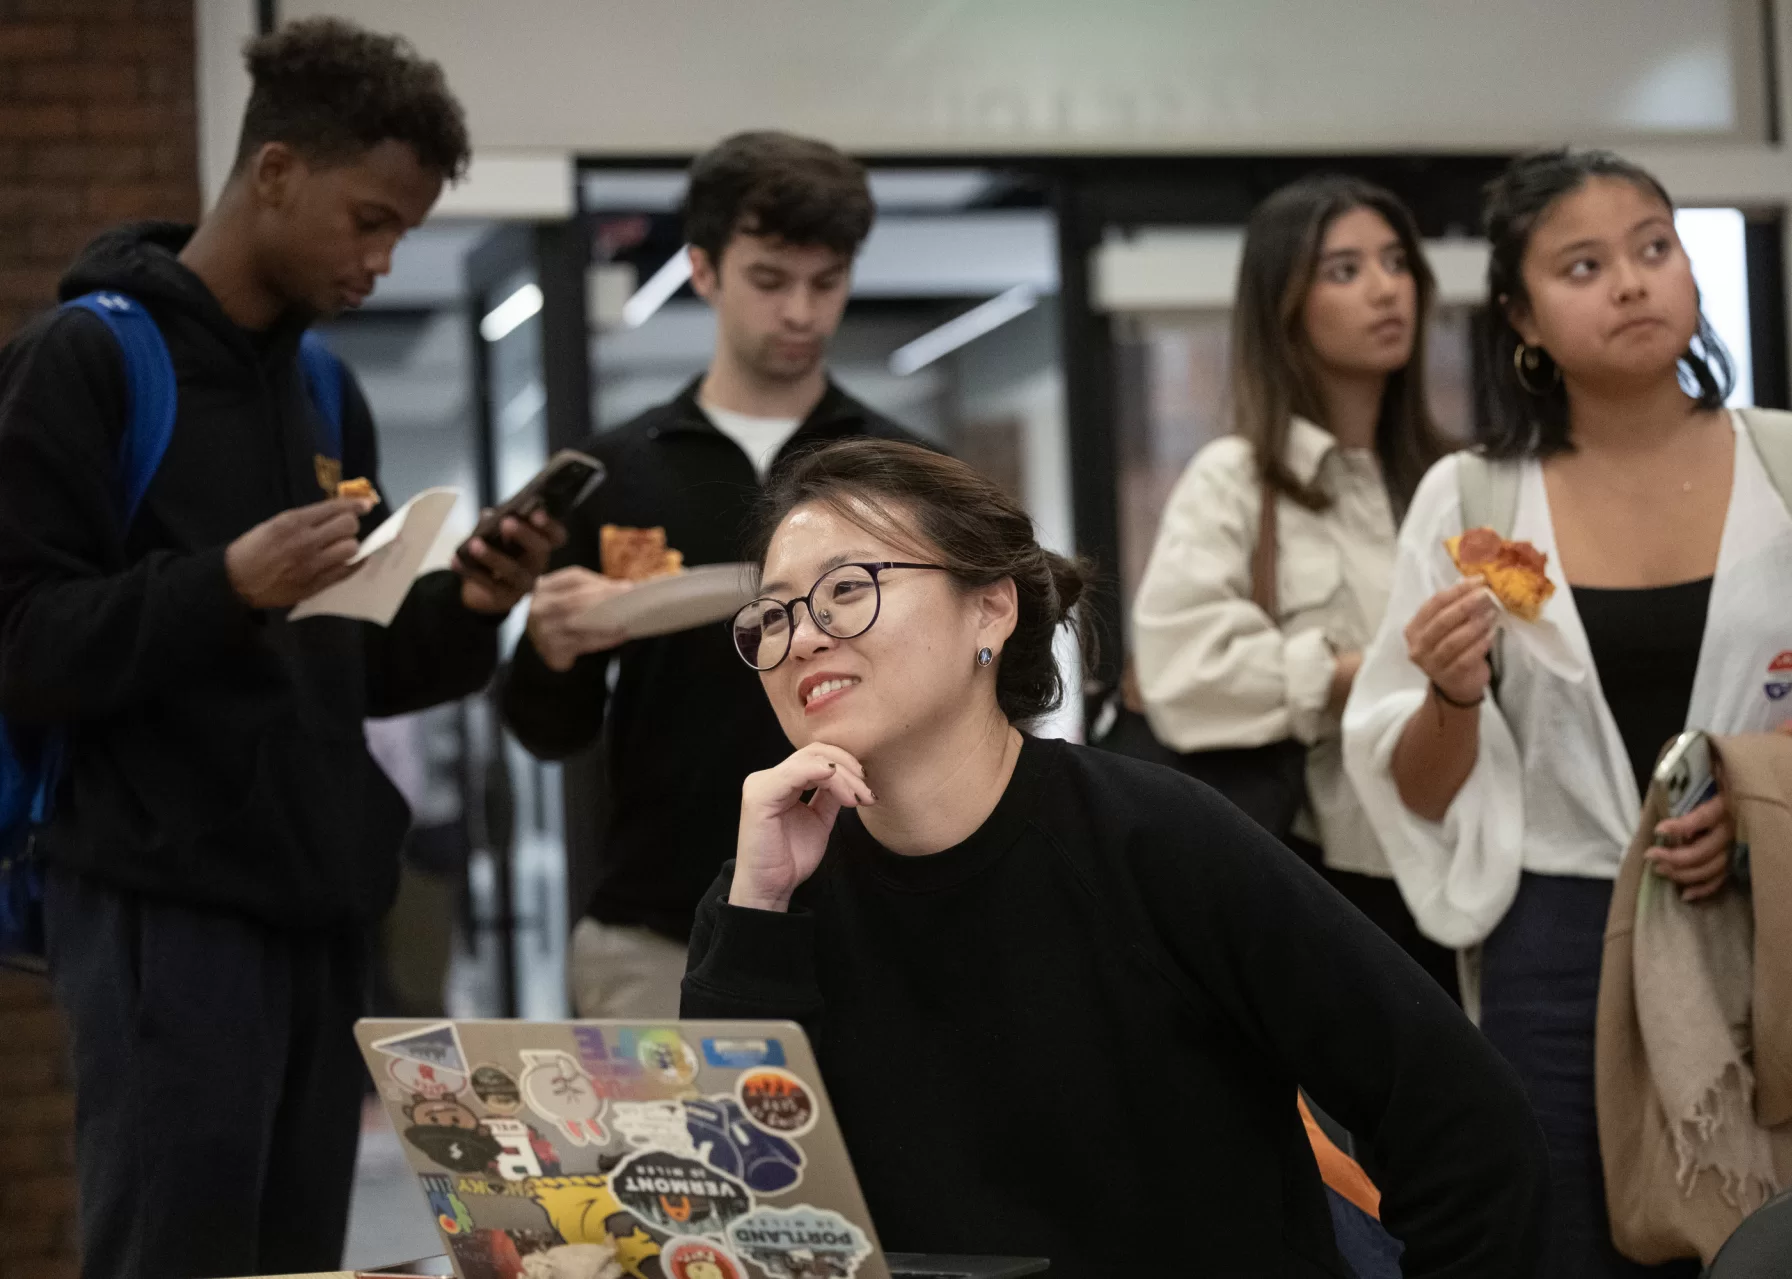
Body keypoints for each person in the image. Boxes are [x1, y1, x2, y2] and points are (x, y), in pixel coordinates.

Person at [682, 438, 1549, 1278]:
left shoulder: (1156, 840)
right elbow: (716, 1227)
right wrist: (756, 918)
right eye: (775, 614)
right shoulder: (771, 890)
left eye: (846, 590)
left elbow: (1464, 1124)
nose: (802, 638)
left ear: (990, 608)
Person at [0, 21, 561, 1279]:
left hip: (315, 909)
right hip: (160, 908)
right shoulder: (85, 364)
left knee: (296, 1263)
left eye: (403, 232)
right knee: (174, 1255)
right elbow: (22, 639)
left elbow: (344, 667)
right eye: (368, 219)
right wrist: (225, 583)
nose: (381, 258)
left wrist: (470, 607)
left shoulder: (324, 393)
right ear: (272, 173)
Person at [1342, 149, 1792, 1278]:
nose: (1631, 282)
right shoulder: (1468, 501)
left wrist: (1757, 808)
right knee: (1565, 1239)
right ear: (1519, 315)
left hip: (1784, 925)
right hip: (1557, 943)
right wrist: (1454, 692)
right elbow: (1408, 787)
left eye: (1653, 247)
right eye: (1582, 264)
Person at [501, 130, 921, 1019]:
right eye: (770, 280)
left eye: (826, 282)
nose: (801, 311)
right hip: (657, 927)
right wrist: (551, 646)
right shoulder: (617, 470)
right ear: (702, 269)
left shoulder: (901, 473)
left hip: (878, 906)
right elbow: (549, 727)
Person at [1131, 174, 1458, 1000]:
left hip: (1472, 864)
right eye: (1343, 270)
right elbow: (1184, 672)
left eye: (1394, 262)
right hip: (1326, 874)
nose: (1385, 288)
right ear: (1284, 307)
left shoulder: (1457, 481)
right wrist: (1365, 670)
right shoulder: (1236, 479)